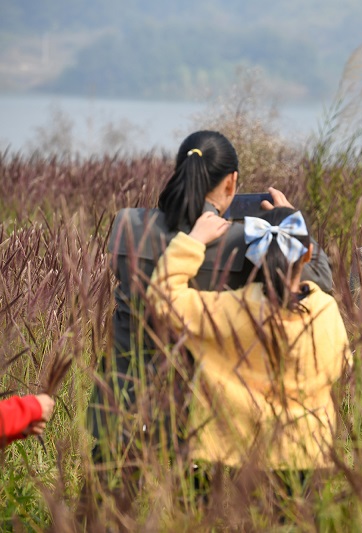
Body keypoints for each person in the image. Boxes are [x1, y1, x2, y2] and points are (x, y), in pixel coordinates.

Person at [89, 130, 333, 459]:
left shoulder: (126, 223)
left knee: (109, 504)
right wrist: (292, 226)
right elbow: (316, 285)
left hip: (120, 403)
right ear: (231, 183)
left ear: (180, 171)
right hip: (203, 416)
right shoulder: (244, 240)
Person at [146, 207, 351, 478]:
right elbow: (342, 364)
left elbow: (162, 298)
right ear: (308, 254)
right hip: (307, 450)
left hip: (240, 449)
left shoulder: (234, 308)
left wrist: (193, 240)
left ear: (254, 258)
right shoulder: (325, 309)